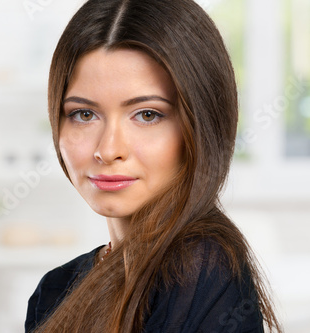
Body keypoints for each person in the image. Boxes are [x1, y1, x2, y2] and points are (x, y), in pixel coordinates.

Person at [25, 0, 282, 332]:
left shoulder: (200, 269)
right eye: (84, 114)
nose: (108, 150)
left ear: (201, 126)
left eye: (147, 115)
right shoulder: (55, 290)